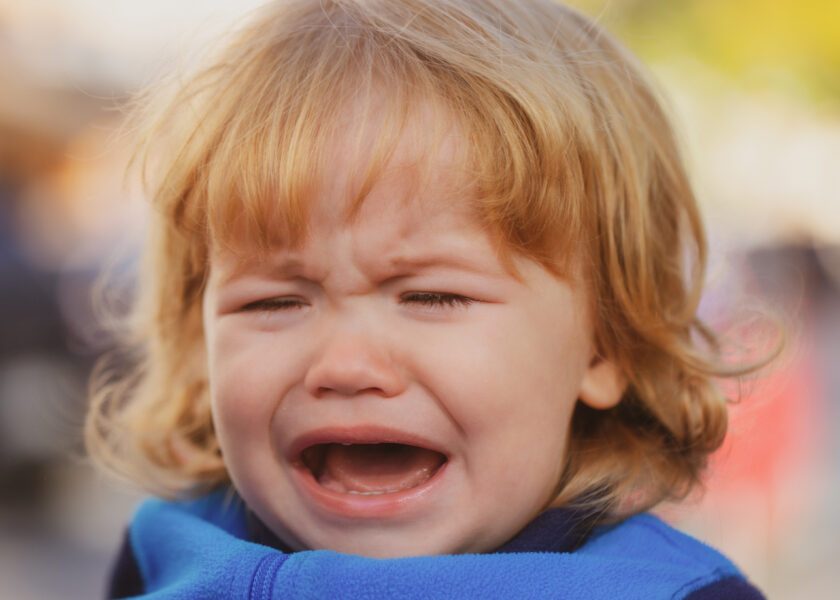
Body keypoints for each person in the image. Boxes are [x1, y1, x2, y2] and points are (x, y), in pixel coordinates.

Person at [87, 0, 766, 597]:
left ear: (606, 341)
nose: (346, 365)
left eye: (432, 296)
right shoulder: (168, 555)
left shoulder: (666, 594)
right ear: (197, 337)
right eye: (274, 303)